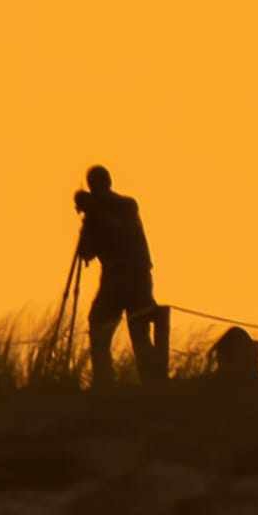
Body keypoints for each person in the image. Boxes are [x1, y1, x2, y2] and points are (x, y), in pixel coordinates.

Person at [75, 165, 160, 388]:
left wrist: (93, 210)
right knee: (98, 325)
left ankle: (152, 383)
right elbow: (86, 252)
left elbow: (119, 229)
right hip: (113, 279)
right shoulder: (96, 213)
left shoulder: (126, 205)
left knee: (139, 333)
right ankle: (104, 381)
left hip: (135, 278)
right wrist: (86, 220)